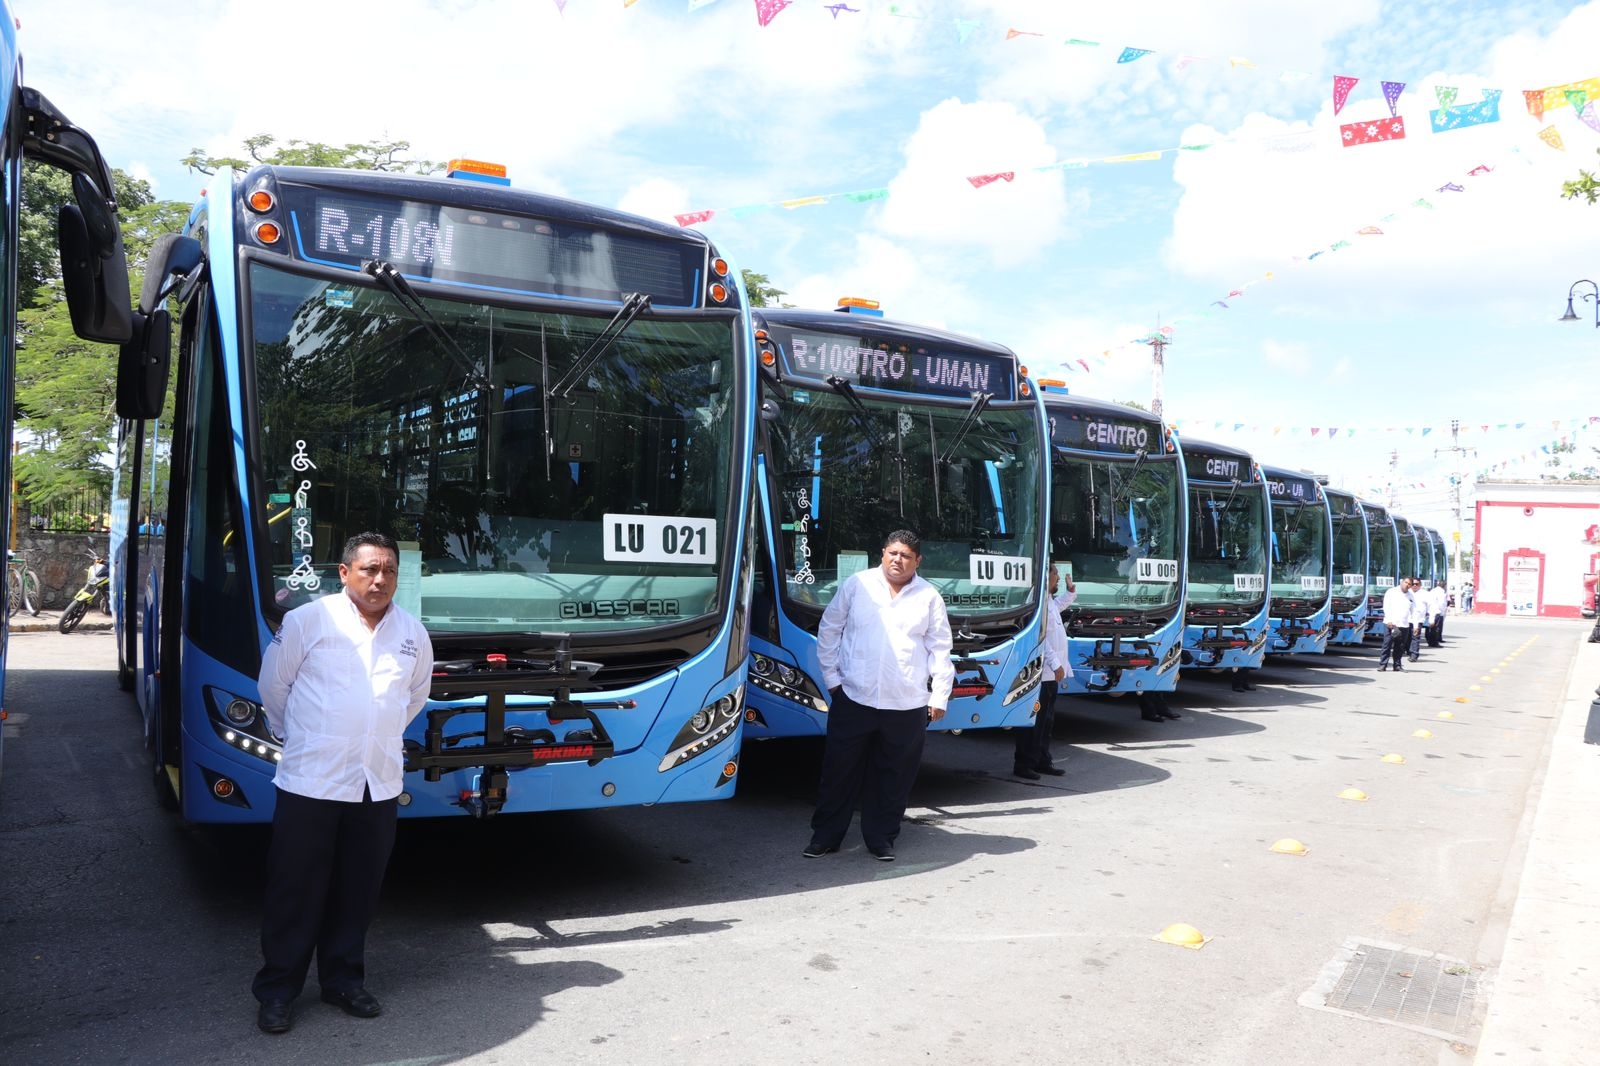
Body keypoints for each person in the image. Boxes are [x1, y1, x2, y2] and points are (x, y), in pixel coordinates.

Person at [252, 532, 434, 1034]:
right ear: (344, 572)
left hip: (376, 784)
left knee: (359, 889)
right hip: (312, 780)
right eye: (370, 570)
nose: (380, 580)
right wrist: (304, 738)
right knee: (296, 890)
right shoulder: (308, 621)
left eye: (389, 572)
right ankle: (278, 990)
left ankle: (343, 982)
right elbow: (274, 687)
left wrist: (373, 733)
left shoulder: (412, 633)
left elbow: (415, 697)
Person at [805, 530, 953, 862]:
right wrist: (832, 679)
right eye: (893, 553)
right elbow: (829, 629)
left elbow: (940, 649)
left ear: (918, 561)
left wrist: (939, 695)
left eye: (906, 556)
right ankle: (825, 837)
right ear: (883, 553)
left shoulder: (929, 597)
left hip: (907, 704)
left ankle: (881, 837)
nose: (898, 560)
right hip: (854, 698)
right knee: (839, 771)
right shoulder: (858, 585)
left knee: (894, 775)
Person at [1014, 563, 1075, 780]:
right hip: (1043, 672)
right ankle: (1024, 763)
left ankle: (1042, 759)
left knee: (1047, 720)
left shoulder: (1048, 600)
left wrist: (1070, 592)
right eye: (1055, 573)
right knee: (1035, 720)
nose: (1058, 577)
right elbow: (1042, 639)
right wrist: (1056, 663)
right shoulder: (1037, 600)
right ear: (1045, 576)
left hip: (1051, 674)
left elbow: (1058, 607)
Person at [1377, 578, 1412, 672]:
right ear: (1402, 582)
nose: (1407, 585)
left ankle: (1397, 665)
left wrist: (1415, 625)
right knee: (1387, 644)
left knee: (1400, 646)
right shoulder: (1391, 592)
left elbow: (1414, 610)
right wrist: (1389, 620)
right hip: (1390, 623)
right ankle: (1383, 665)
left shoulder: (1410, 595)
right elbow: (1386, 606)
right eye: (1406, 582)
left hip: (1404, 624)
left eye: (1409, 584)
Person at [1407, 576, 1429, 662]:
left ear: (1420, 585)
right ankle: (1408, 651)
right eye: (1413, 584)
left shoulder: (1425, 594)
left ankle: (1414, 655)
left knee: (1415, 637)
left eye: (1417, 584)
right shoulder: (1407, 593)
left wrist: (1431, 617)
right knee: (1406, 637)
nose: (1414, 586)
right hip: (1407, 619)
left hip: (1418, 619)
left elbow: (1431, 605)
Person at [1426, 580, 1449, 646]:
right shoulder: (1441, 592)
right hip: (1437, 611)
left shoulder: (1433, 590)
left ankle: (1430, 641)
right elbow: (1442, 604)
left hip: (1430, 611)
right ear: (1444, 585)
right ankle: (1434, 642)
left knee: (1430, 628)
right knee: (1436, 628)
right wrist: (1442, 613)